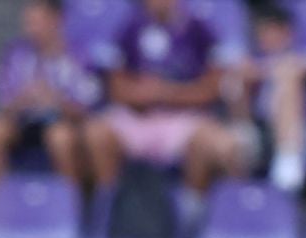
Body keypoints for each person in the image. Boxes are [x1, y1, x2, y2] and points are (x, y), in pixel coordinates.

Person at [85, 0, 239, 219]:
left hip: (182, 117)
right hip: (138, 116)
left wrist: (168, 93)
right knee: (97, 133)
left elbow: (211, 90)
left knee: (209, 141)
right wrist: (144, 94)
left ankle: (191, 211)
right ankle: (108, 206)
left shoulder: (198, 29)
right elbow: (116, 89)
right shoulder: (130, 26)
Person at [0, 0, 102, 195]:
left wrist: (55, 101)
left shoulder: (79, 55)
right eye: (28, 22)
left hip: (63, 122)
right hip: (23, 122)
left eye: (37, 22)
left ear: (56, 20)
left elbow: (87, 107)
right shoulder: (16, 53)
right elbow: (4, 102)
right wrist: (24, 99)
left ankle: (69, 206)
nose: (31, 29)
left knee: (60, 138)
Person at [229, 4, 306, 193]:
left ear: (286, 33)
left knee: (287, 79)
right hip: (258, 129)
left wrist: (262, 72)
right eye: (262, 31)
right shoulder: (250, 61)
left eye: (271, 30)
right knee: (235, 81)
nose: (265, 36)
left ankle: (288, 156)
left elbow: (302, 66)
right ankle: (243, 137)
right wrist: (247, 75)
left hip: (295, 132)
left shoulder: (296, 60)